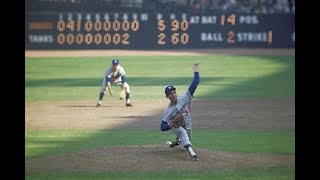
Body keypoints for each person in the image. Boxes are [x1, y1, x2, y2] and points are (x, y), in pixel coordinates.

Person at [160, 63, 200, 161]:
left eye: (174, 92)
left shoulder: (185, 98)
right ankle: (192, 154)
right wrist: (171, 125)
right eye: (170, 94)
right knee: (182, 133)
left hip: (188, 124)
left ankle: (177, 142)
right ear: (167, 97)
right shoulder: (168, 111)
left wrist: (196, 71)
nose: (173, 95)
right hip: (176, 126)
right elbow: (162, 127)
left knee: (187, 137)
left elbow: (195, 84)